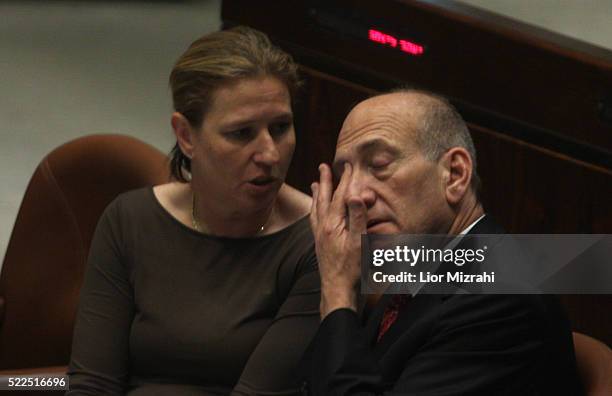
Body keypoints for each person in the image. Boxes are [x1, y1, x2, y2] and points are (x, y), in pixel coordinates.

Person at [67, 26, 320, 395]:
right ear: (186, 136)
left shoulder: (316, 239)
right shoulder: (129, 220)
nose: (269, 154)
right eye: (241, 133)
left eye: (281, 127)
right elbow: (93, 382)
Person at [303, 89, 582, 394]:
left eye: (379, 164)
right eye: (344, 174)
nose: (354, 193)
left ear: (455, 175)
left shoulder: (502, 300)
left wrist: (338, 292)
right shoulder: (416, 265)